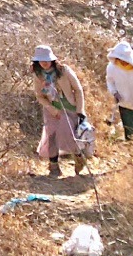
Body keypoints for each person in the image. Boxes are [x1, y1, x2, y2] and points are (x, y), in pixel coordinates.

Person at [31, 45, 92, 177]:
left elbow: (78, 89)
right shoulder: (38, 75)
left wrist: (80, 110)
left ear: (52, 59)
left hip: (70, 108)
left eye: (46, 60)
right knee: (50, 137)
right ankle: (53, 167)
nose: (44, 63)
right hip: (52, 111)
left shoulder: (64, 70)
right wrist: (52, 109)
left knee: (69, 135)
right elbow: (39, 96)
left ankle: (79, 157)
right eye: (41, 61)